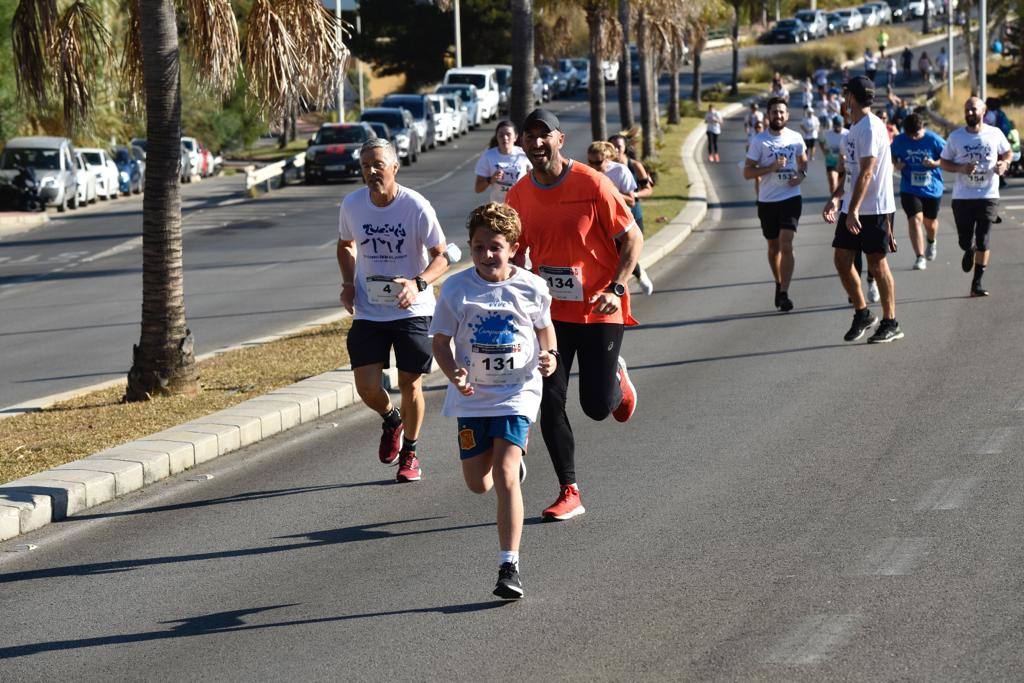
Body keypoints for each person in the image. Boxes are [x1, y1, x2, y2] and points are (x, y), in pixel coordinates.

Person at [507, 108, 642, 521]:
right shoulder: (520, 194)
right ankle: (569, 489)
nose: (535, 142)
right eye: (528, 136)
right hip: (552, 316)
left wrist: (616, 287)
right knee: (551, 400)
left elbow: (632, 237)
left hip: (601, 309)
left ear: (559, 140)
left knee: (598, 407)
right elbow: (516, 253)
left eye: (543, 135)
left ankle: (616, 379)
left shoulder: (593, 184)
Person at [430, 202, 557, 600]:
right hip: (473, 398)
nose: (487, 255)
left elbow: (544, 329)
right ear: (470, 247)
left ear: (513, 248)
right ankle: (512, 468)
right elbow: (440, 342)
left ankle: (509, 566)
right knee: (477, 484)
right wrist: (455, 373)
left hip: (517, 391)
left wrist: (549, 355)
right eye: (479, 247)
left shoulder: (531, 286)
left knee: (503, 475)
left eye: (496, 247)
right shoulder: (456, 288)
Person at [337, 138, 449, 481]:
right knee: (367, 386)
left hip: (412, 309)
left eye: (378, 165)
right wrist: (348, 284)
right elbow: (345, 245)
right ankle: (392, 420)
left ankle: (411, 453)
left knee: (410, 384)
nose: (371, 172)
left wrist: (418, 283)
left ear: (394, 168)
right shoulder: (353, 205)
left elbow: (441, 256)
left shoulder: (415, 206)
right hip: (370, 309)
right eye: (365, 166)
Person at [822, 76, 903, 343]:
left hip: (875, 208)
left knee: (877, 265)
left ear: (851, 98)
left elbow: (867, 172)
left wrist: (853, 209)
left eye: (846, 95)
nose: (844, 100)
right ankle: (863, 313)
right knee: (842, 260)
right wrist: (836, 198)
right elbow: (851, 173)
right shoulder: (853, 129)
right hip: (852, 206)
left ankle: (891, 322)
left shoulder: (871, 127)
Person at [939, 97, 1013, 296]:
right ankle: (968, 248)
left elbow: (1008, 153)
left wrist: (1004, 164)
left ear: (984, 110)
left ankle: (977, 284)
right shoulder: (956, 137)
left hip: (988, 194)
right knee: (965, 240)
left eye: (973, 109)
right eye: (967, 110)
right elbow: (944, 162)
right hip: (963, 197)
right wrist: (961, 168)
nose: (969, 113)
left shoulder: (995, 134)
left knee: (984, 239)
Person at [744, 97, 808, 312]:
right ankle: (779, 282)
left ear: (787, 115)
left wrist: (801, 176)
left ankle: (784, 293)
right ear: (768, 115)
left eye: (781, 112)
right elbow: (747, 172)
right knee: (773, 247)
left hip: (791, 197)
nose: (778, 116)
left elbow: (803, 161)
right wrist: (769, 168)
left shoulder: (796, 138)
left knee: (786, 243)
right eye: (774, 112)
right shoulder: (759, 141)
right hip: (767, 201)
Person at [890, 113, 946, 270]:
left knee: (930, 224)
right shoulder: (900, 140)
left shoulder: (934, 140)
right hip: (909, 187)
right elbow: (890, 155)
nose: (914, 138)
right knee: (914, 220)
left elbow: (949, 157)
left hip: (932, 188)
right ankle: (920, 257)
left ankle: (931, 241)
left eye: (917, 135)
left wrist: (935, 163)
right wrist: (896, 163)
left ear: (923, 128)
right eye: (910, 135)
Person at [609, 133, 656, 295]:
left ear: (625, 148)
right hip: (613, 217)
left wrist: (634, 195)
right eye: (612, 146)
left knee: (630, 250)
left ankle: (639, 275)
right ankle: (624, 284)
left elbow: (648, 189)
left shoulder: (634, 165)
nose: (615, 150)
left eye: (619, 147)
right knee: (617, 254)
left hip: (633, 215)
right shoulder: (604, 167)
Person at [474, 120, 531, 204]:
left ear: (515, 137)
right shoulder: (488, 155)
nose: (505, 138)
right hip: (499, 208)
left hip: (521, 205)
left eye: (508, 134)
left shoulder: (524, 155)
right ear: (497, 137)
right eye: (501, 135)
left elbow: (536, 180)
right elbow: (478, 189)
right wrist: (490, 180)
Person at [821, 115, 848, 196]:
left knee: (842, 187)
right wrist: (824, 151)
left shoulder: (848, 133)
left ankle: (839, 202)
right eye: (836, 125)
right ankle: (834, 203)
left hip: (844, 164)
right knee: (833, 185)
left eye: (839, 125)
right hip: (831, 162)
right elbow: (821, 142)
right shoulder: (828, 134)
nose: (837, 127)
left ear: (843, 124)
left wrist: (846, 156)